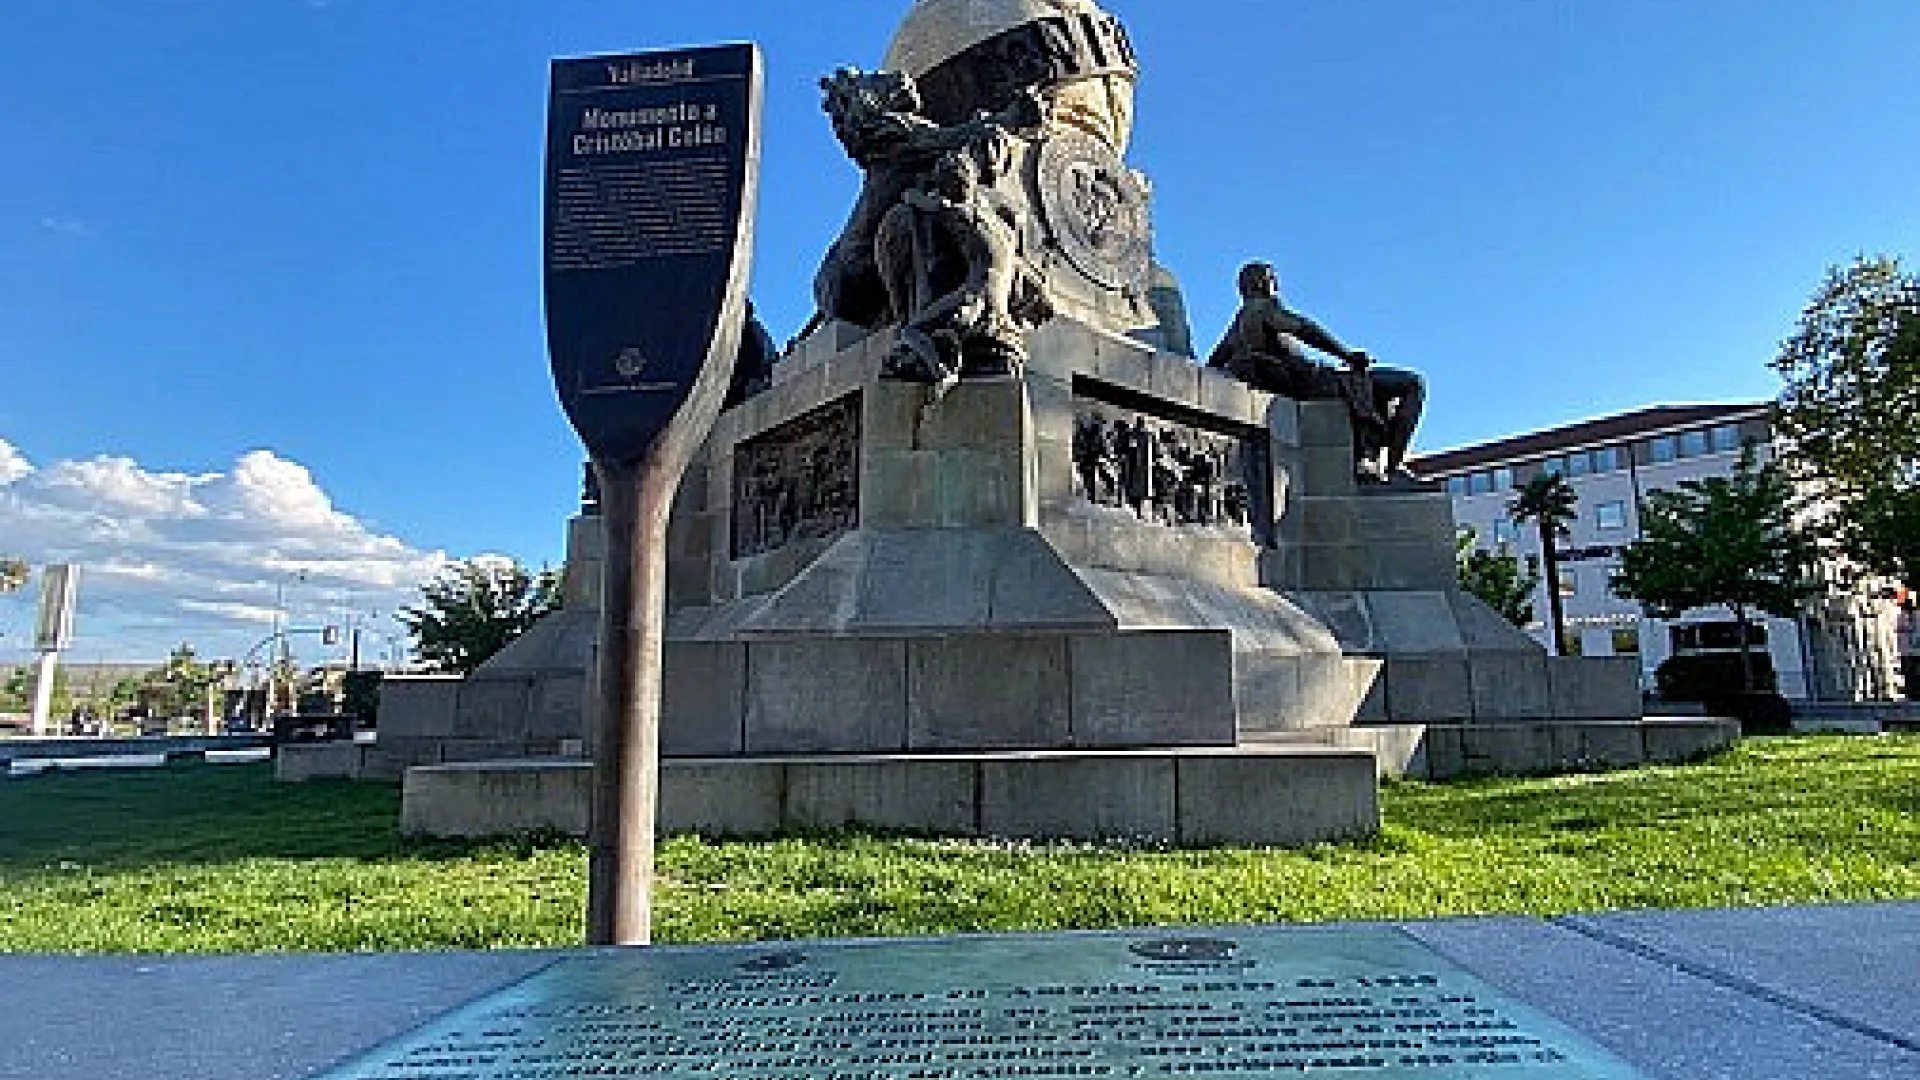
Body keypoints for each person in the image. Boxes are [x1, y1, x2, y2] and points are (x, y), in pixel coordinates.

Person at [1208, 262, 1425, 481]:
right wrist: (1347, 355)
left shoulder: (1239, 325)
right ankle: (1393, 467)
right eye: (1272, 280)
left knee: (1382, 399)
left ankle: (1372, 459)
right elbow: (1305, 330)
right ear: (1262, 283)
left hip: (1311, 383)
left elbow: (1215, 360)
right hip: (1320, 382)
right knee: (1412, 384)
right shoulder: (1264, 308)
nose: (1276, 285)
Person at [1898, 599, 1919, 701]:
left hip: (1913, 650)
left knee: (1913, 672)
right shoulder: (1902, 615)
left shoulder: (1916, 615)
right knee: (1909, 672)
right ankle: (1911, 693)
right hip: (1906, 650)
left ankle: (1914, 693)